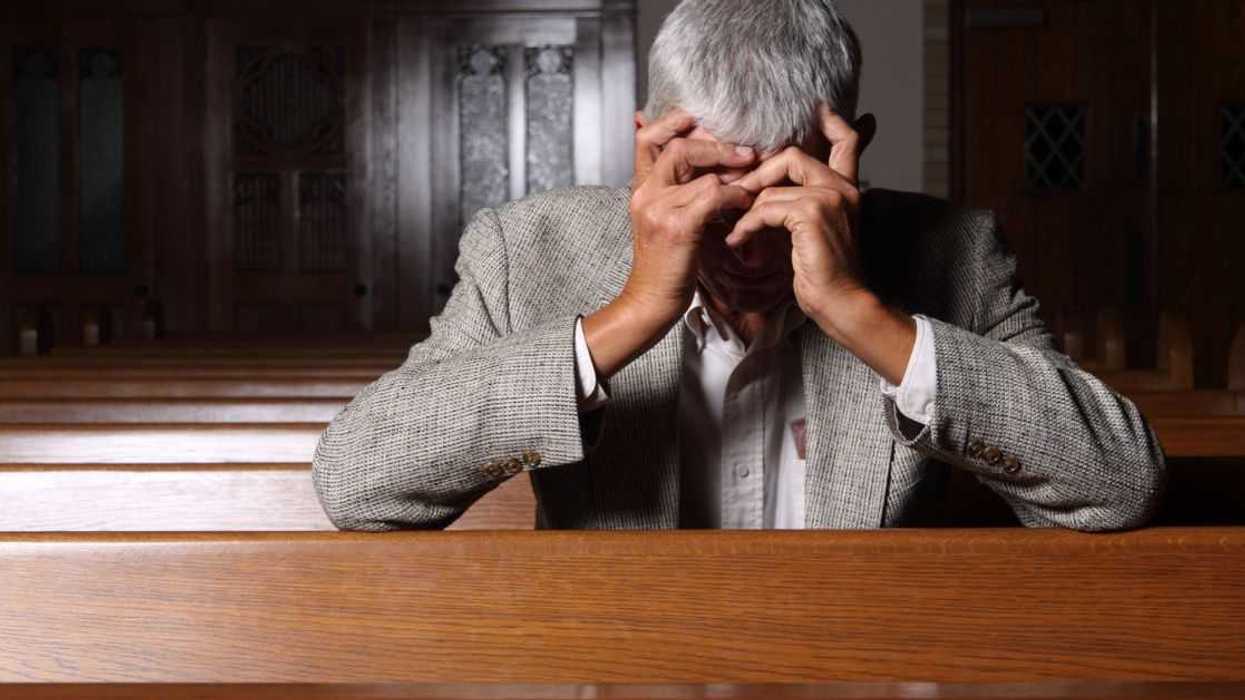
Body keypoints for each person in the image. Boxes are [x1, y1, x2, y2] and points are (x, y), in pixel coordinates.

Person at [311, 0, 1165, 531]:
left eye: (786, 191)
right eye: (710, 193)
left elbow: (1120, 486)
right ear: (645, 146)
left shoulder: (956, 251)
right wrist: (631, 313)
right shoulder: (523, 252)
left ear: (849, 151)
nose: (750, 243)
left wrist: (859, 314)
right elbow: (358, 483)